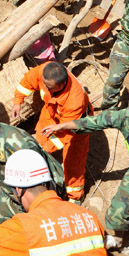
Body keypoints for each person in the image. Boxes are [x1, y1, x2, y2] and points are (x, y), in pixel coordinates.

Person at [42, 87, 129, 250]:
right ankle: (117, 239)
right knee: (118, 210)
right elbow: (95, 122)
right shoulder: (127, 117)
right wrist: (61, 126)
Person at [12, 62, 92, 202]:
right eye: (44, 84)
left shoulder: (75, 100)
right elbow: (27, 82)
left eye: (49, 88)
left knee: (73, 161)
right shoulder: (45, 71)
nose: (45, 89)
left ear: (60, 86)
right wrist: (17, 102)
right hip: (52, 111)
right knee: (41, 138)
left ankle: (75, 196)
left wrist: (46, 149)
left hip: (75, 125)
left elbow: (66, 133)